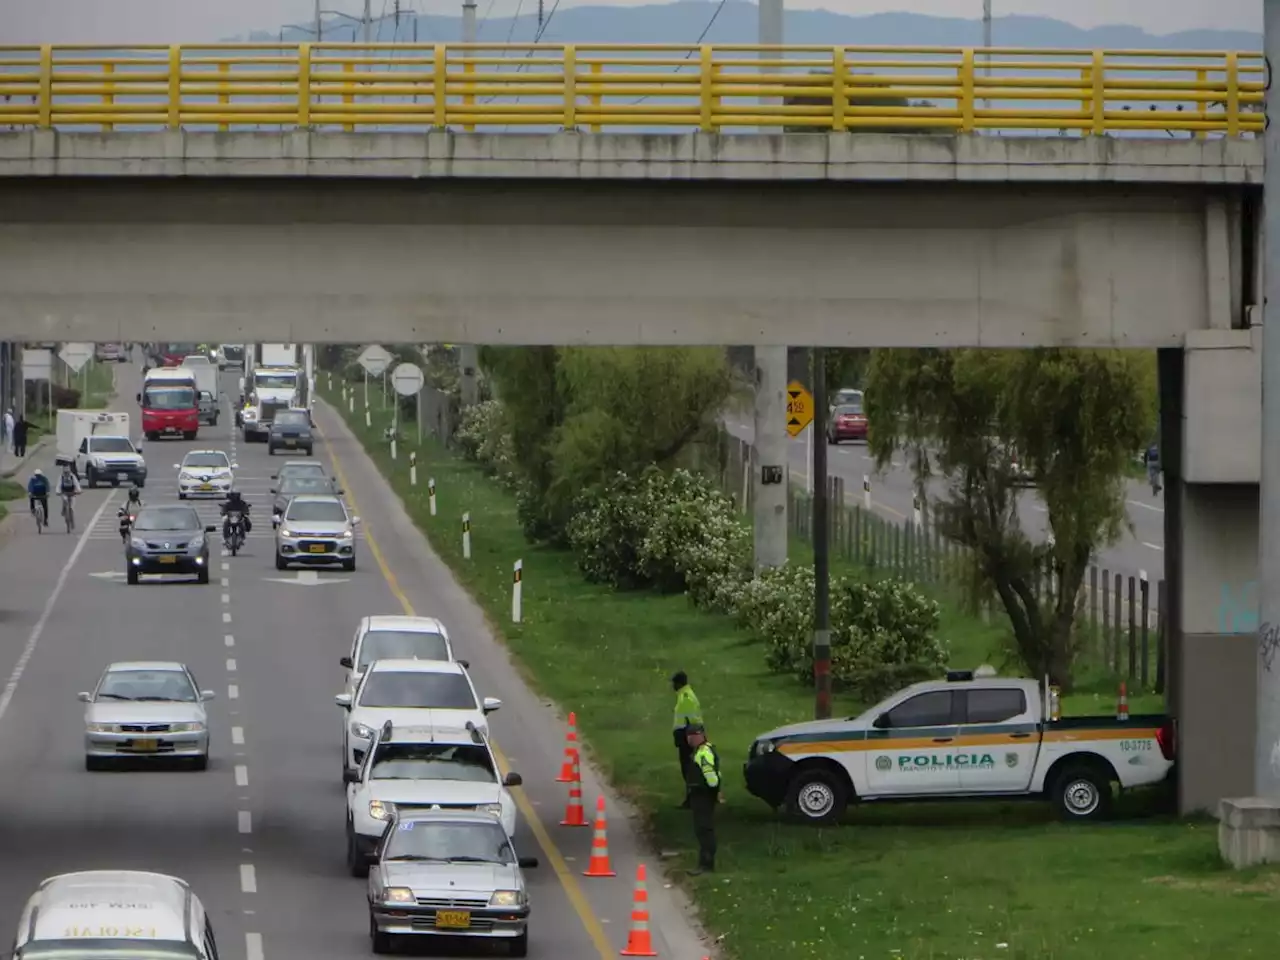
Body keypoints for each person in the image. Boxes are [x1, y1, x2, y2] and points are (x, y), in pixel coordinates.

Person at [683, 724, 721, 875]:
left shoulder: (703, 753)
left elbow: (712, 779)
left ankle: (706, 865)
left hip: (703, 796)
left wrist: (711, 790)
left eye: (692, 736)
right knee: (702, 829)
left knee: (704, 830)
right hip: (703, 796)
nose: (690, 740)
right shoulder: (704, 750)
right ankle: (704, 864)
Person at [671, 670, 703, 809]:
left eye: (674, 683)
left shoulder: (685, 697)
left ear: (679, 683)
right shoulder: (685, 695)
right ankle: (691, 797)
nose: (672, 686)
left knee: (689, 768)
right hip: (686, 735)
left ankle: (693, 799)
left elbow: (692, 720)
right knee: (688, 768)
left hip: (688, 736)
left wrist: (690, 738)